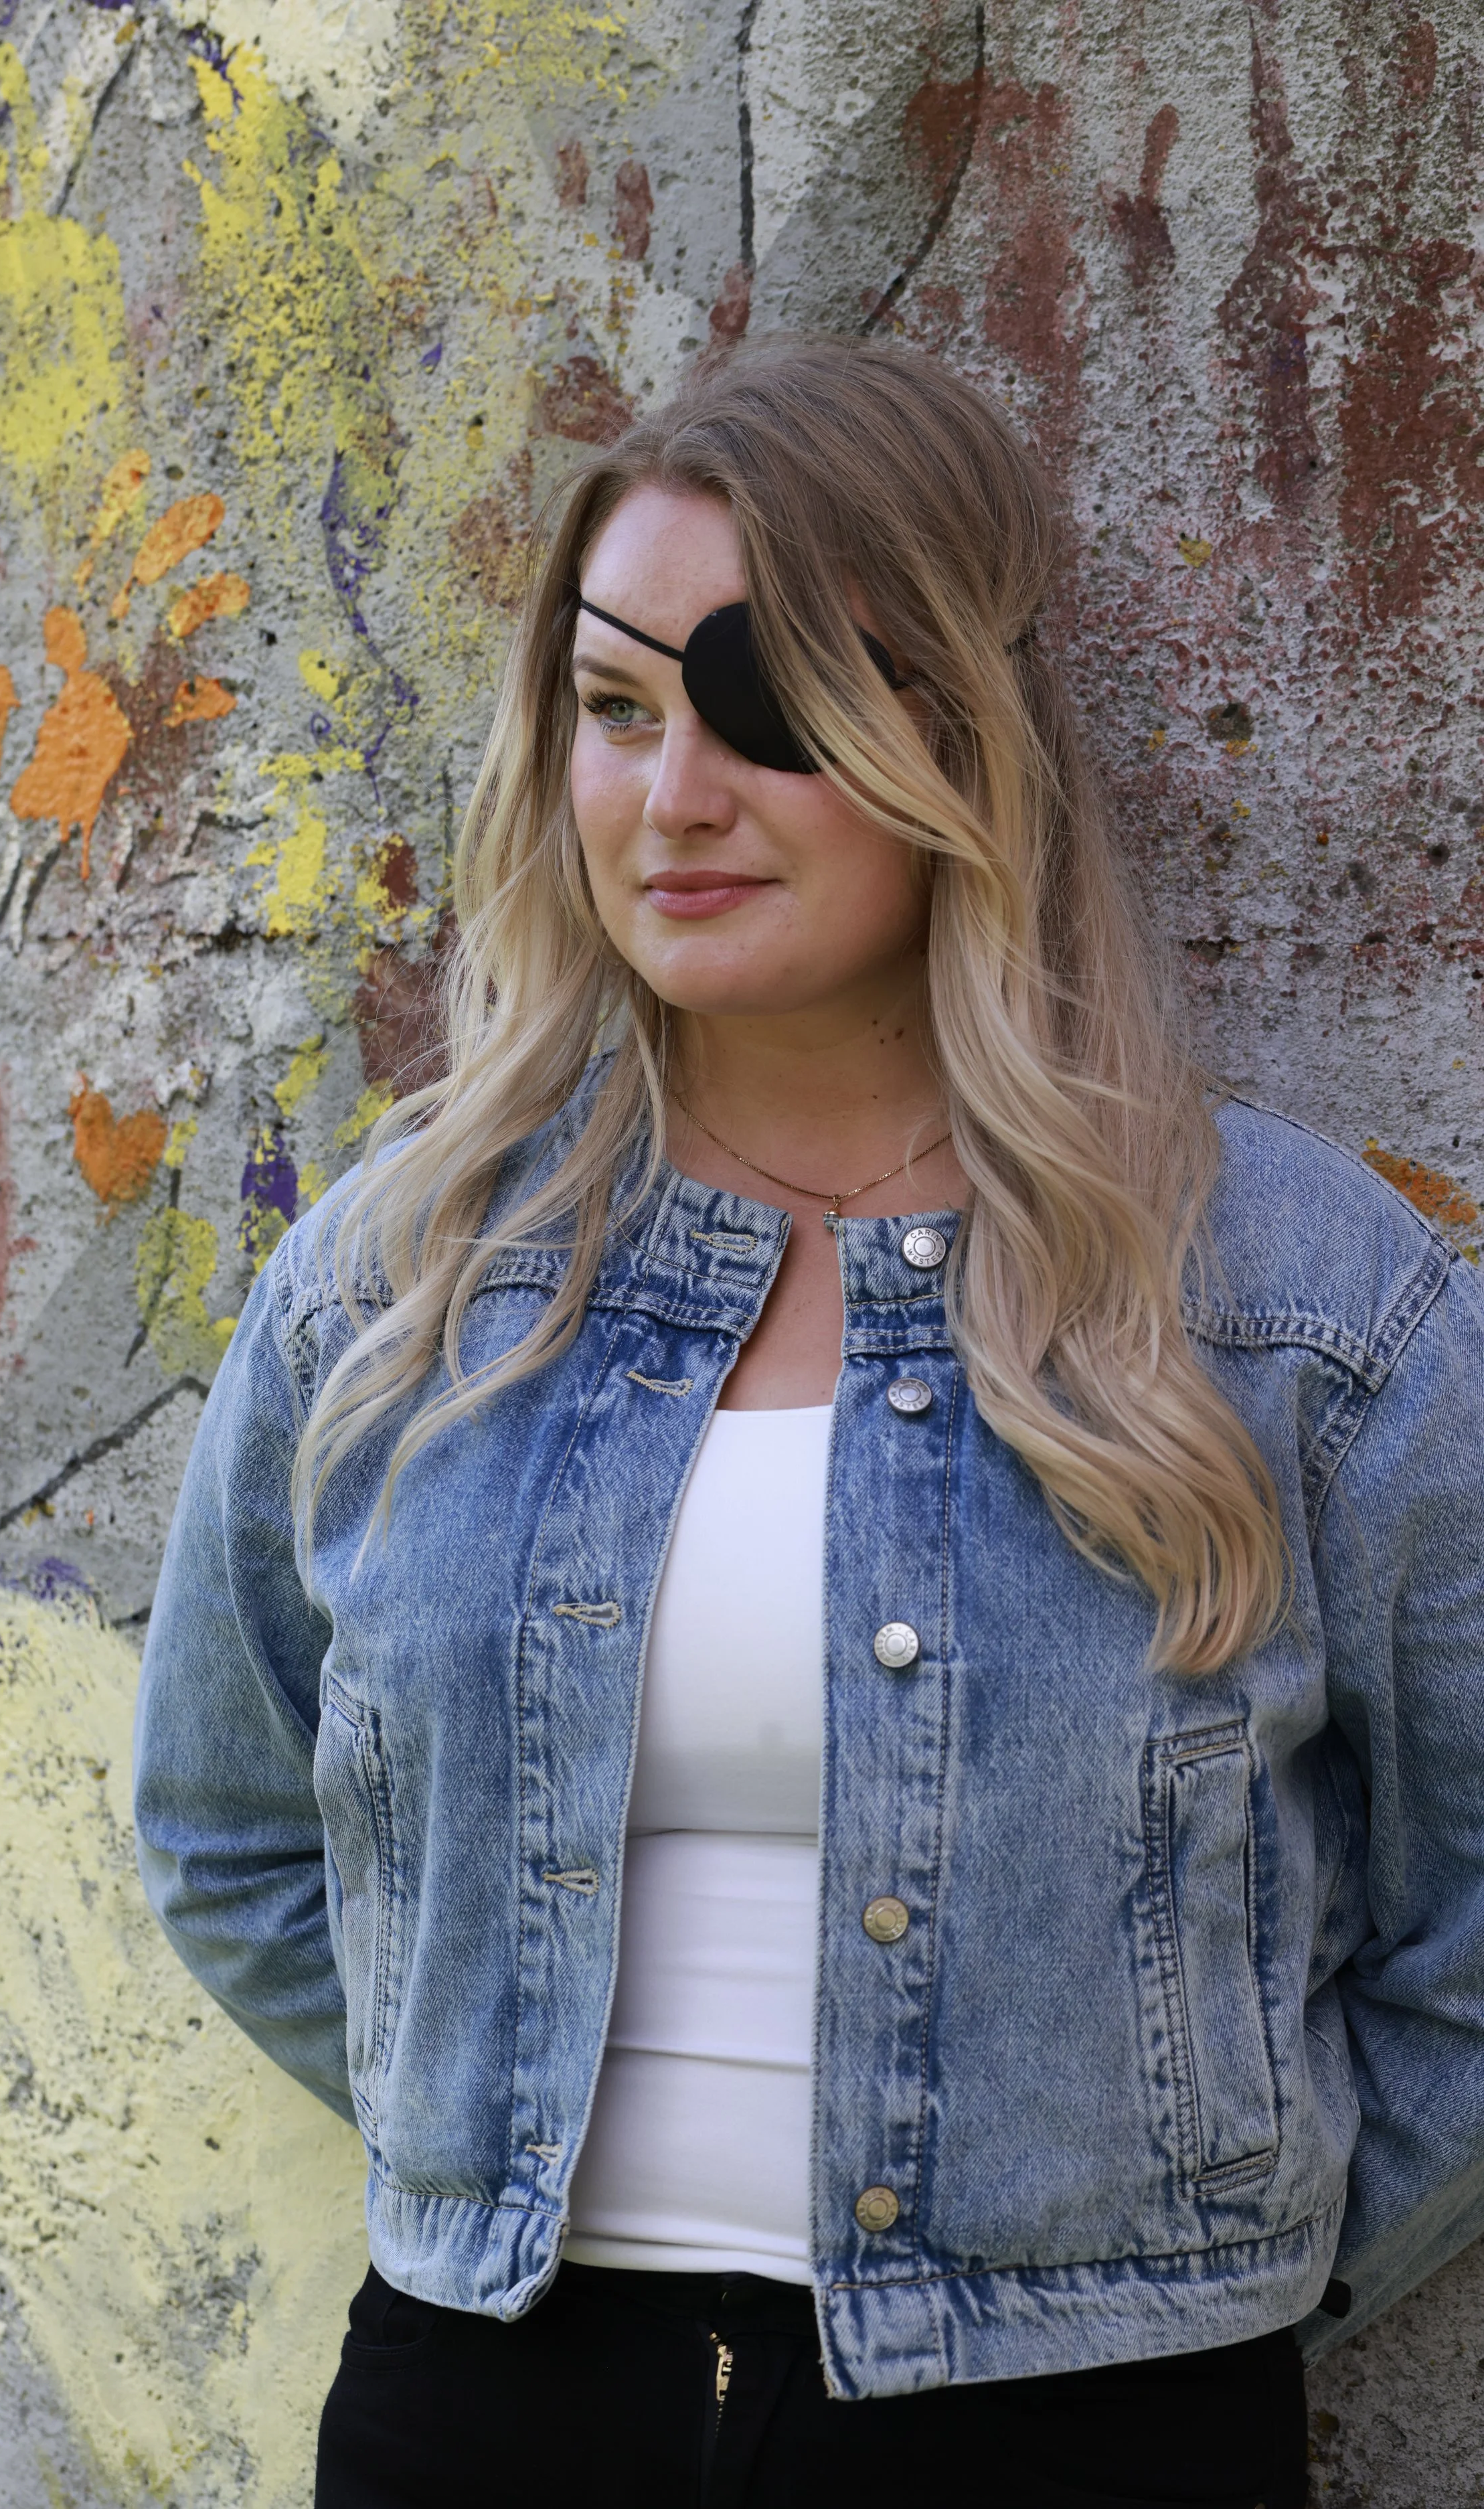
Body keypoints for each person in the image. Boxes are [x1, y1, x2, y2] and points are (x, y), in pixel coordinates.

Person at [133, 338, 1484, 2509]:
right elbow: (225, 1825)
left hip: (1085, 2436)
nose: (671, 795)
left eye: (759, 706)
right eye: (611, 707)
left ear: (955, 730)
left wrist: (1208, 2253)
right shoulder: (404, 1284)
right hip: (489, 2413)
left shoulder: (1284, 1302)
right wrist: (464, 2134)